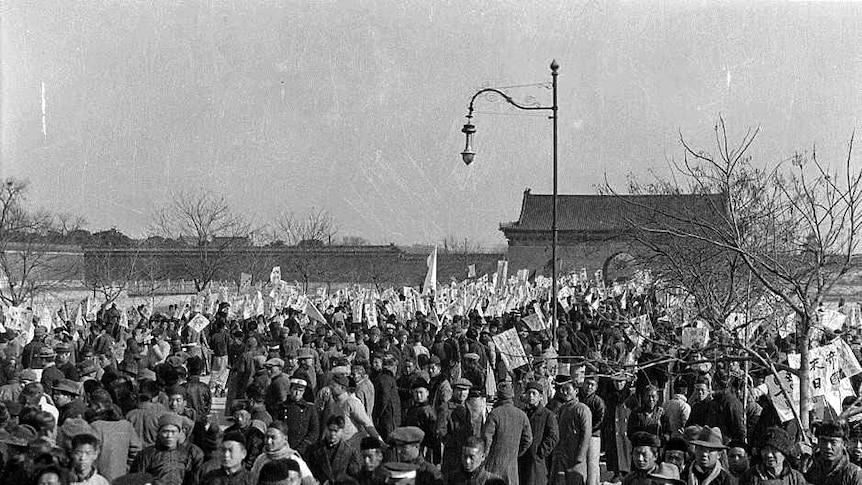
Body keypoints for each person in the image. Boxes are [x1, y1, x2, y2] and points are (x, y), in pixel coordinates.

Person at [130, 412, 205, 485]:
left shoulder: (192, 453)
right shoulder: (146, 455)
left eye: (173, 432)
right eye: (165, 431)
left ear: (180, 433)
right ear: (159, 432)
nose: (169, 436)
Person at [482, 380, 533, 485]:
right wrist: (517, 453)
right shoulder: (522, 415)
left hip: (493, 465)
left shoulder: (494, 414)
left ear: (498, 395)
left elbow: (487, 439)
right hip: (512, 465)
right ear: (512, 395)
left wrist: (484, 458)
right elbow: (528, 440)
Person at [550, 375, 591, 485]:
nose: (564, 392)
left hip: (575, 456)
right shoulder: (562, 409)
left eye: (568, 389)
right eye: (562, 389)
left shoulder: (582, 409)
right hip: (562, 455)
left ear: (576, 391)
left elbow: (586, 434)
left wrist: (580, 456)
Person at [323, 373, 381, 448]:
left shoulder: (352, 402)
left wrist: (380, 443)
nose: (330, 388)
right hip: (339, 447)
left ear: (342, 388)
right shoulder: (334, 404)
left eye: (333, 386)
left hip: (352, 447)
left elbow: (367, 424)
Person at [249, 421, 316, 485]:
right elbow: (252, 481)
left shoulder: (294, 460)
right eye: (267, 437)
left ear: (285, 439)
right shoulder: (261, 459)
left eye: (273, 437)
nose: (269, 441)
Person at [519, 380, 559, 485]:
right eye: (528, 393)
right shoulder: (522, 413)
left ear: (541, 397)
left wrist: (540, 452)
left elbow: (553, 436)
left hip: (537, 461)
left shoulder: (547, 415)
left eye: (534, 393)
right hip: (522, 458)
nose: (531, 396)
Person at [740, 427, 805, 485]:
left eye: (774, 450)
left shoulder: (796, 478)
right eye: (765, 450)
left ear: (784, 453)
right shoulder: (749, 477)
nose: (769, 455)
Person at [306, 415, 362, 483]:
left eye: (336, 431)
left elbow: (355, 476)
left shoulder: (350, 452)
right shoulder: (313, 449)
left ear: (342, 431)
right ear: (325, 429)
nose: (332, 434)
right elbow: (307, 474)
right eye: (330, 430)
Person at [805, 420, 862, 485]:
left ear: (844, 443)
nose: (827, 446)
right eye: (823, 441)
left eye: (833, 442)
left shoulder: (854, 474)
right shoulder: (809, 466)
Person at [274, 374, 319, 456]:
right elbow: (276, 427)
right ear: (290, 389)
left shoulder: (309, 409)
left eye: (301, 391)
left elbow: (314, 431)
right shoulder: (281, 407)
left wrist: (302, 447)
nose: (297, 393)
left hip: (303, 451)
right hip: (284, 448)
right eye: (295, 389)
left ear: (304, 392)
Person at [403, 379, 438, 463]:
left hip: (423, 449)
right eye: (416, 392)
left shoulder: (428, 412)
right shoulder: (411, 410)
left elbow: (434, 436)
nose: (418, 396)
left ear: (427, 393)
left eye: (421, 392)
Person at [580, 376, 605, 485]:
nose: (589, 387)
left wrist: (589, 430)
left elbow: (601, 419)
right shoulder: (578, 398)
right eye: (587, 384)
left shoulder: (598, 402)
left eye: (592, 385)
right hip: (579, 435)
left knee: (592, 463)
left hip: (593, 436)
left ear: (596, 387)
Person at [372, 355, 401, 442]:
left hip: (388, 418)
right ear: (393, 367)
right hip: (388, 418)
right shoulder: (386, 379)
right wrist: (378, 415)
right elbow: (384, 398)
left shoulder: (382, 378)